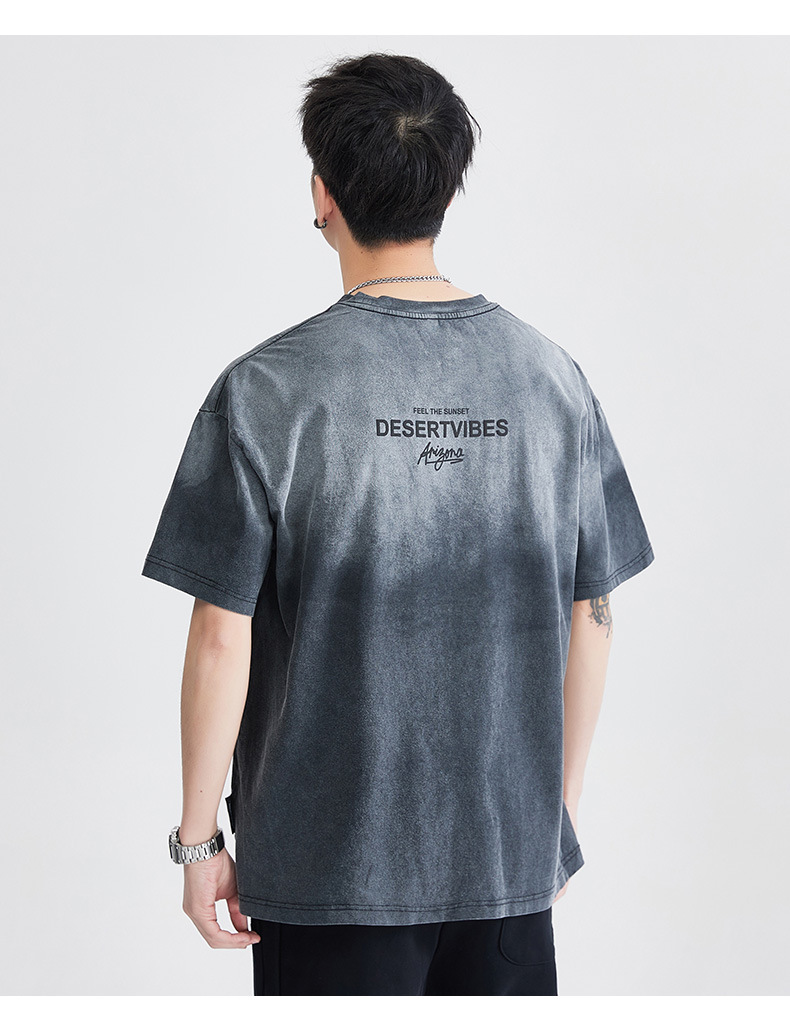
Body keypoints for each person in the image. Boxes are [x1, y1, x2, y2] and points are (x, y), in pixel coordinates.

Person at [142, 52, 655, 996]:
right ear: (448, 191)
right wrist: (554, 818)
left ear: (322, 194)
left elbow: (220, 632)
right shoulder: (553, 382)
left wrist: (198, 841)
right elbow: (595, 613)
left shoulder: (267, 392)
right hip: (506, 861)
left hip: (327, 873)